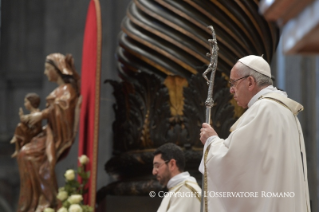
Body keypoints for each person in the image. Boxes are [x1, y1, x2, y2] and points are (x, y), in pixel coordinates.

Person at [199, 55, 310, 212]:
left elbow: (234, 163)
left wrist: (212, 142)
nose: (231, 90)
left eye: (233, 83)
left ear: (250, 82)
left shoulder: (263, 110)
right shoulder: (286, 111)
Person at [16, 53, 81, 212]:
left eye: (47, 69)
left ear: (57, 69)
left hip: (55, 136)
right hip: (49, 133)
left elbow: (63, 112)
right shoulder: (60, 90)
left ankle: (45, 202)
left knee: (30, 156)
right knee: (24, 154)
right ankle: (32, 202)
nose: (45, 73)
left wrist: (42, 115)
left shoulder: (67, 90)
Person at [153, 143, 201, 212]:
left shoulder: (186, 191)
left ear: (172, 164)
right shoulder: (175, 189)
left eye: (157, 166)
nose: (154, 172)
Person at [10, 93, 42, 158]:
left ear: (31, 103)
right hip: (31, 130)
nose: (24, 104)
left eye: (26, 102)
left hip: (35, 132)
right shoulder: (33, 113)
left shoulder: (37, 113)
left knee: (20, 126)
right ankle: (16, 141)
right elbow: (26, 121)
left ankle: (16, 139)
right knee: (20, 125)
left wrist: (22, 116)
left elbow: (28, 119)